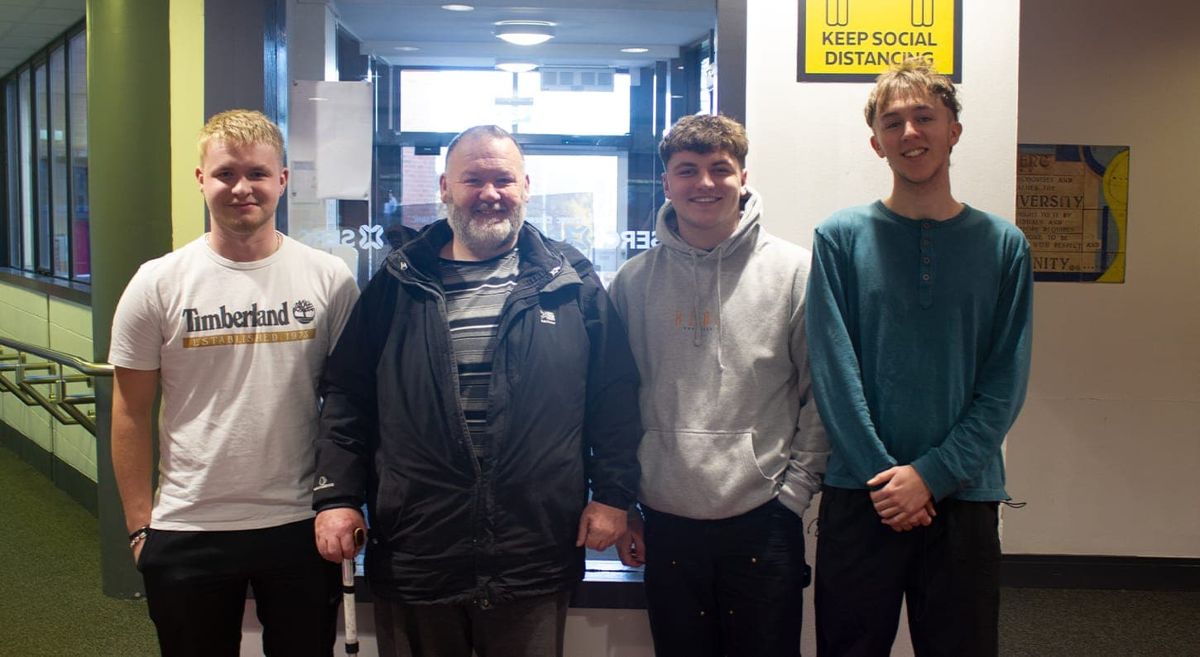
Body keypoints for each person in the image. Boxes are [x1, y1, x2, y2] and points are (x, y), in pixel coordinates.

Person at [311, 125, 642, 657]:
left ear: (526, 186)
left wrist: (612, 495)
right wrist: (338, 498)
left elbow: (616, 398)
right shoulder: (396, 283)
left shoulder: (570, 283)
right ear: (445, 187)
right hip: (420, 545)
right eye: (473, 180)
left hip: (531, 544)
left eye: (503, 180)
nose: (490, 194)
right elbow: (348, 398)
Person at [109, 109, 360, 657]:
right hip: (188, 523)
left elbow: (350, 403)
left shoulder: (329, 279)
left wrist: (344, 500)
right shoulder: (157, 282)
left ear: (283, 181)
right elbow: (129, 410)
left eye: (257, 174)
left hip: (298, 523)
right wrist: (138, 528)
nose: (241, 188)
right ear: (201, 179)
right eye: (225, 174)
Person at [806, 58, 1034, 657]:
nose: (910, 134)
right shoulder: (840, 238)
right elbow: (834, 370)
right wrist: (888, 479)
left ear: (953, 130)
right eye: (893, 122)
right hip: (864, 493)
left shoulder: (1005, 245)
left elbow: (1005, 381)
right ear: (876, 142)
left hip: (964, 497)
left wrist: (929, 477)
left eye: (924, 118)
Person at [608, 113, 829, 657]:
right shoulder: (632, 282)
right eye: (688, 170)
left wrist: (794, 494)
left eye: (719, 169)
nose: (704, 184)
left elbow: (821, 394)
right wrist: (625, 504)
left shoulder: (797, 272)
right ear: (667, 183)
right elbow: (612, 405)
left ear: (743, 177)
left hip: (763, 517)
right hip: (664, 520)